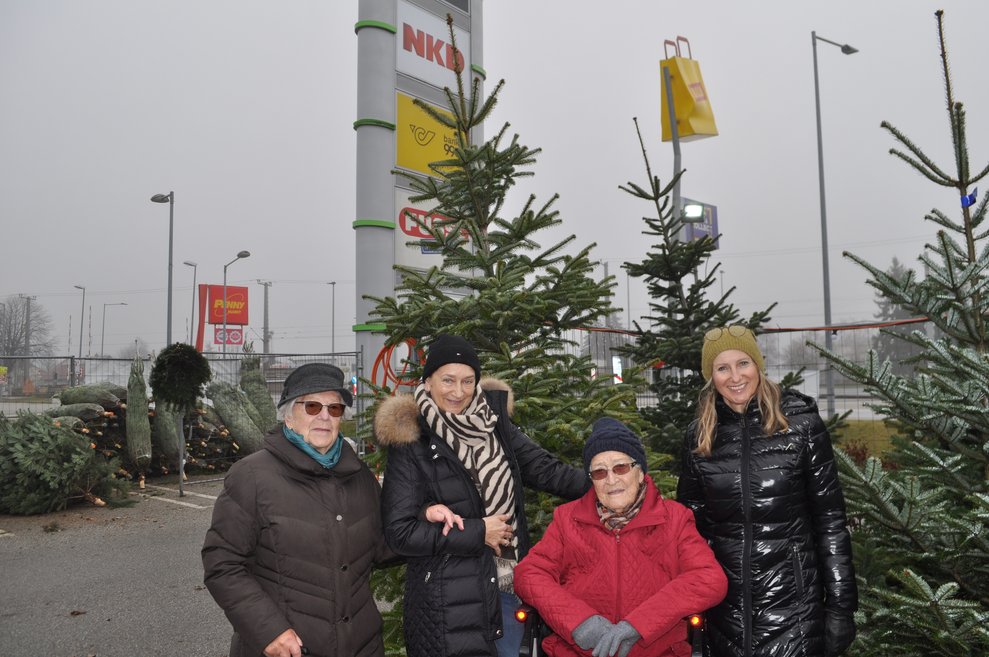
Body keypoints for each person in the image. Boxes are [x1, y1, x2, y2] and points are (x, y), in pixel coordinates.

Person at [374, 334, 591, 657]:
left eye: (467, 381)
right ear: (428, 380)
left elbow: (547, 471)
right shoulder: (411, 440)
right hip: (448, 605)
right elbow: (400, 533)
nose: (458, 392)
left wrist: (606, 483)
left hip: (508, 589)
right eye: (447, 380)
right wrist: (478, 532)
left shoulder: (494, 423)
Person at [677, 325, 858, 657]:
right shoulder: (698, 438)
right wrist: (691, 604)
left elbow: (830, 521)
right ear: (711, 376)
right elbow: (689, 530)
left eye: (743, 363)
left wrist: (841, 607)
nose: (735, 377)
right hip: (724, 612)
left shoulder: (802, 427)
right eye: (722, 368)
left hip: (795, 609)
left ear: (758, 365)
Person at [202, 363, 392, 657]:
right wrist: (269, 631)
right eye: (312, 407)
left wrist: (432, 518)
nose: (325, 417)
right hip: (288, 649)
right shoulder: (252, 476)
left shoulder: (359, 476)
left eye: (335, 409)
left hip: (362, 647)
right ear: (288, 417)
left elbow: (384, 545)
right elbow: (223, 564)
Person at [514, 417, 728, 657]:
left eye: (621, 467)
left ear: (640, 473)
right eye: (599, 472)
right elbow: (529, 574)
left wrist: (638, 625)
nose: (611, 479)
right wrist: (581, 622)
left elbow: (709, 578)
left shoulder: (675, 519)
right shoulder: (567, 520)